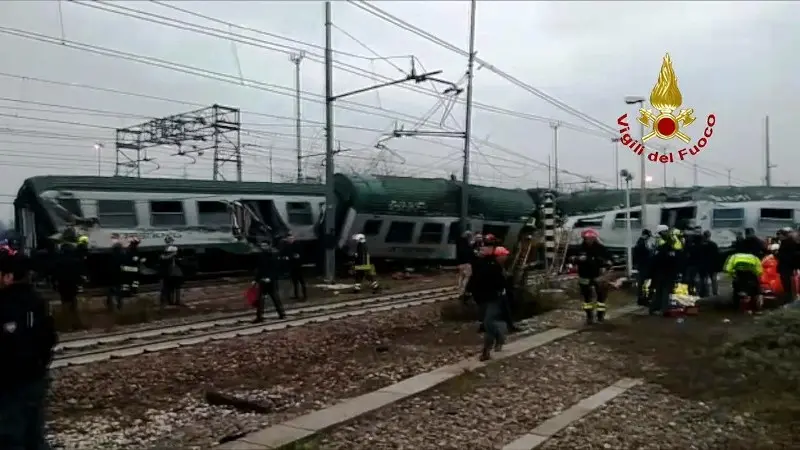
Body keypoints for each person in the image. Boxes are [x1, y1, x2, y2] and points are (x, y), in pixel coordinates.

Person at [0, 250, 58, 450]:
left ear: (8, 277)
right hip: (35, 377)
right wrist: (40, 364)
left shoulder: (5, 304)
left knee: (10, 436)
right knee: (33, 435)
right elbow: (49, 338)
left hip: (10, 383)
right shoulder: (38, 300)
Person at [470, 245, 510, 361]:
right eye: (504, 255)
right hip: (483, 298)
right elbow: (474, 279)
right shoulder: (487, 265)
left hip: (494, 299)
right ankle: (499, 338)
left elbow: (501, 283)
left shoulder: (495, 266)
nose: (506, 257)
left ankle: (486, 351)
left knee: (488, 323)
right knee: (487, 323)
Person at [575, 228, 612, 325]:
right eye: (588, 238)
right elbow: (571, 259)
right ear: (584, 238)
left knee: (601, 297)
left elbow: (609, 260)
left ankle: (600, 316)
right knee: (587, 298)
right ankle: (589, 316)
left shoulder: (601, 248)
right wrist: (578, 259)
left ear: (595, 238)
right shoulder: (579, 249)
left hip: (598, 276)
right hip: (584, 275)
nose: (590, 240)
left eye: (592, 238)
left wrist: (605, 266)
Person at [650, 224, 680, 315]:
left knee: (659, 290)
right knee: (664, 291)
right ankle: (663, 309)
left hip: (660, 271)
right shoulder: (667, 243)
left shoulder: (660, 242)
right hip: (666, 271)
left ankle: (655, 308)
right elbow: (672, 258)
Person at [53, 242, 83, 328]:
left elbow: (55, 274)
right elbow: (79, 273)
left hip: (62, 284)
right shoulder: (75, 260)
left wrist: (54, 284)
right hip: (72, 284)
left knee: (65, 303)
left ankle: (67, 323)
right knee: (73, 303)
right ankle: (75, 323)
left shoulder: (58, 261)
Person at [253, 241, 285, 323]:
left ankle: (282, 313)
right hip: (262, 280)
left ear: (268, 246)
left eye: (265, 245)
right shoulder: (260, 256)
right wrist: (255, 280)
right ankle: (259, 316)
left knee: (275, 297)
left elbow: (275, 269)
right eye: (262, 245)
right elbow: (259, 269)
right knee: (260, 299)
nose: (263, 247)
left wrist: (270, 278)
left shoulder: (273, 255)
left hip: (271, 281)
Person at [776, 227, 798, 305]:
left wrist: (779, 255)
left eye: (780, 235)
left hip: (786, 266)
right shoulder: (787, 242)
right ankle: (788, 298)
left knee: (787, 283)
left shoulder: (788, 243)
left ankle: (789, 299)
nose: (778, 237)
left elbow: (789, 255)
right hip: (786, 266)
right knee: (786, 283)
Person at [281, 233, 307, 301]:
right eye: (289, 239)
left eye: (291, 238)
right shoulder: (286, 246)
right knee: (294, 281)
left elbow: (300, 255)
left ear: (293, 238)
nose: (290, 240)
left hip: (298, 266)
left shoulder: (297, 245)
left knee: (301, 281)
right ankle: (296, 295)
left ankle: (304, 296)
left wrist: (292, 257)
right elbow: (284, 254)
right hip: (292, 266)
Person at [696, 230, 721, 298]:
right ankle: (715, 293)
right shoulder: (713, 244)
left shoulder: (700, 245)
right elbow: (717, 256)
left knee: (702, 279)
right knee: (713, 279)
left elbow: (697, 256)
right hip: (712, 265)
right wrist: (718, 266)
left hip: (702, 264)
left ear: (704, 236)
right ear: (709, 236)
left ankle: (703, 293)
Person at [632, 229, 653, 306]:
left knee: (642, 283)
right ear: (646, 235)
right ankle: (641, 299)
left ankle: (641, 298)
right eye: (648, 236)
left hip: (642, 266)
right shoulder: (641, 243)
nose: (649, 238)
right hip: (643, 266)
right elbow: (644, 254)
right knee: (642, 283)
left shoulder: (641, 242)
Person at [107, 242, 126, 311]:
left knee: (110, 288)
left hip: (111, 274)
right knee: (118, 290)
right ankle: (119, 304)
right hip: (119, 275)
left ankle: (109, 302)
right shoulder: (122, 256)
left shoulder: (111, 256)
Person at [455, 231, 474, 299]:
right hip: (467, 263)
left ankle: (459, 291)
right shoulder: (468, 244)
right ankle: (463, 292)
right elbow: (470, 254)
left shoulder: (459, 243)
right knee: (467, 278)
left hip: (460, 263)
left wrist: (457, 263)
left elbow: (458, 253)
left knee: (461, 277)